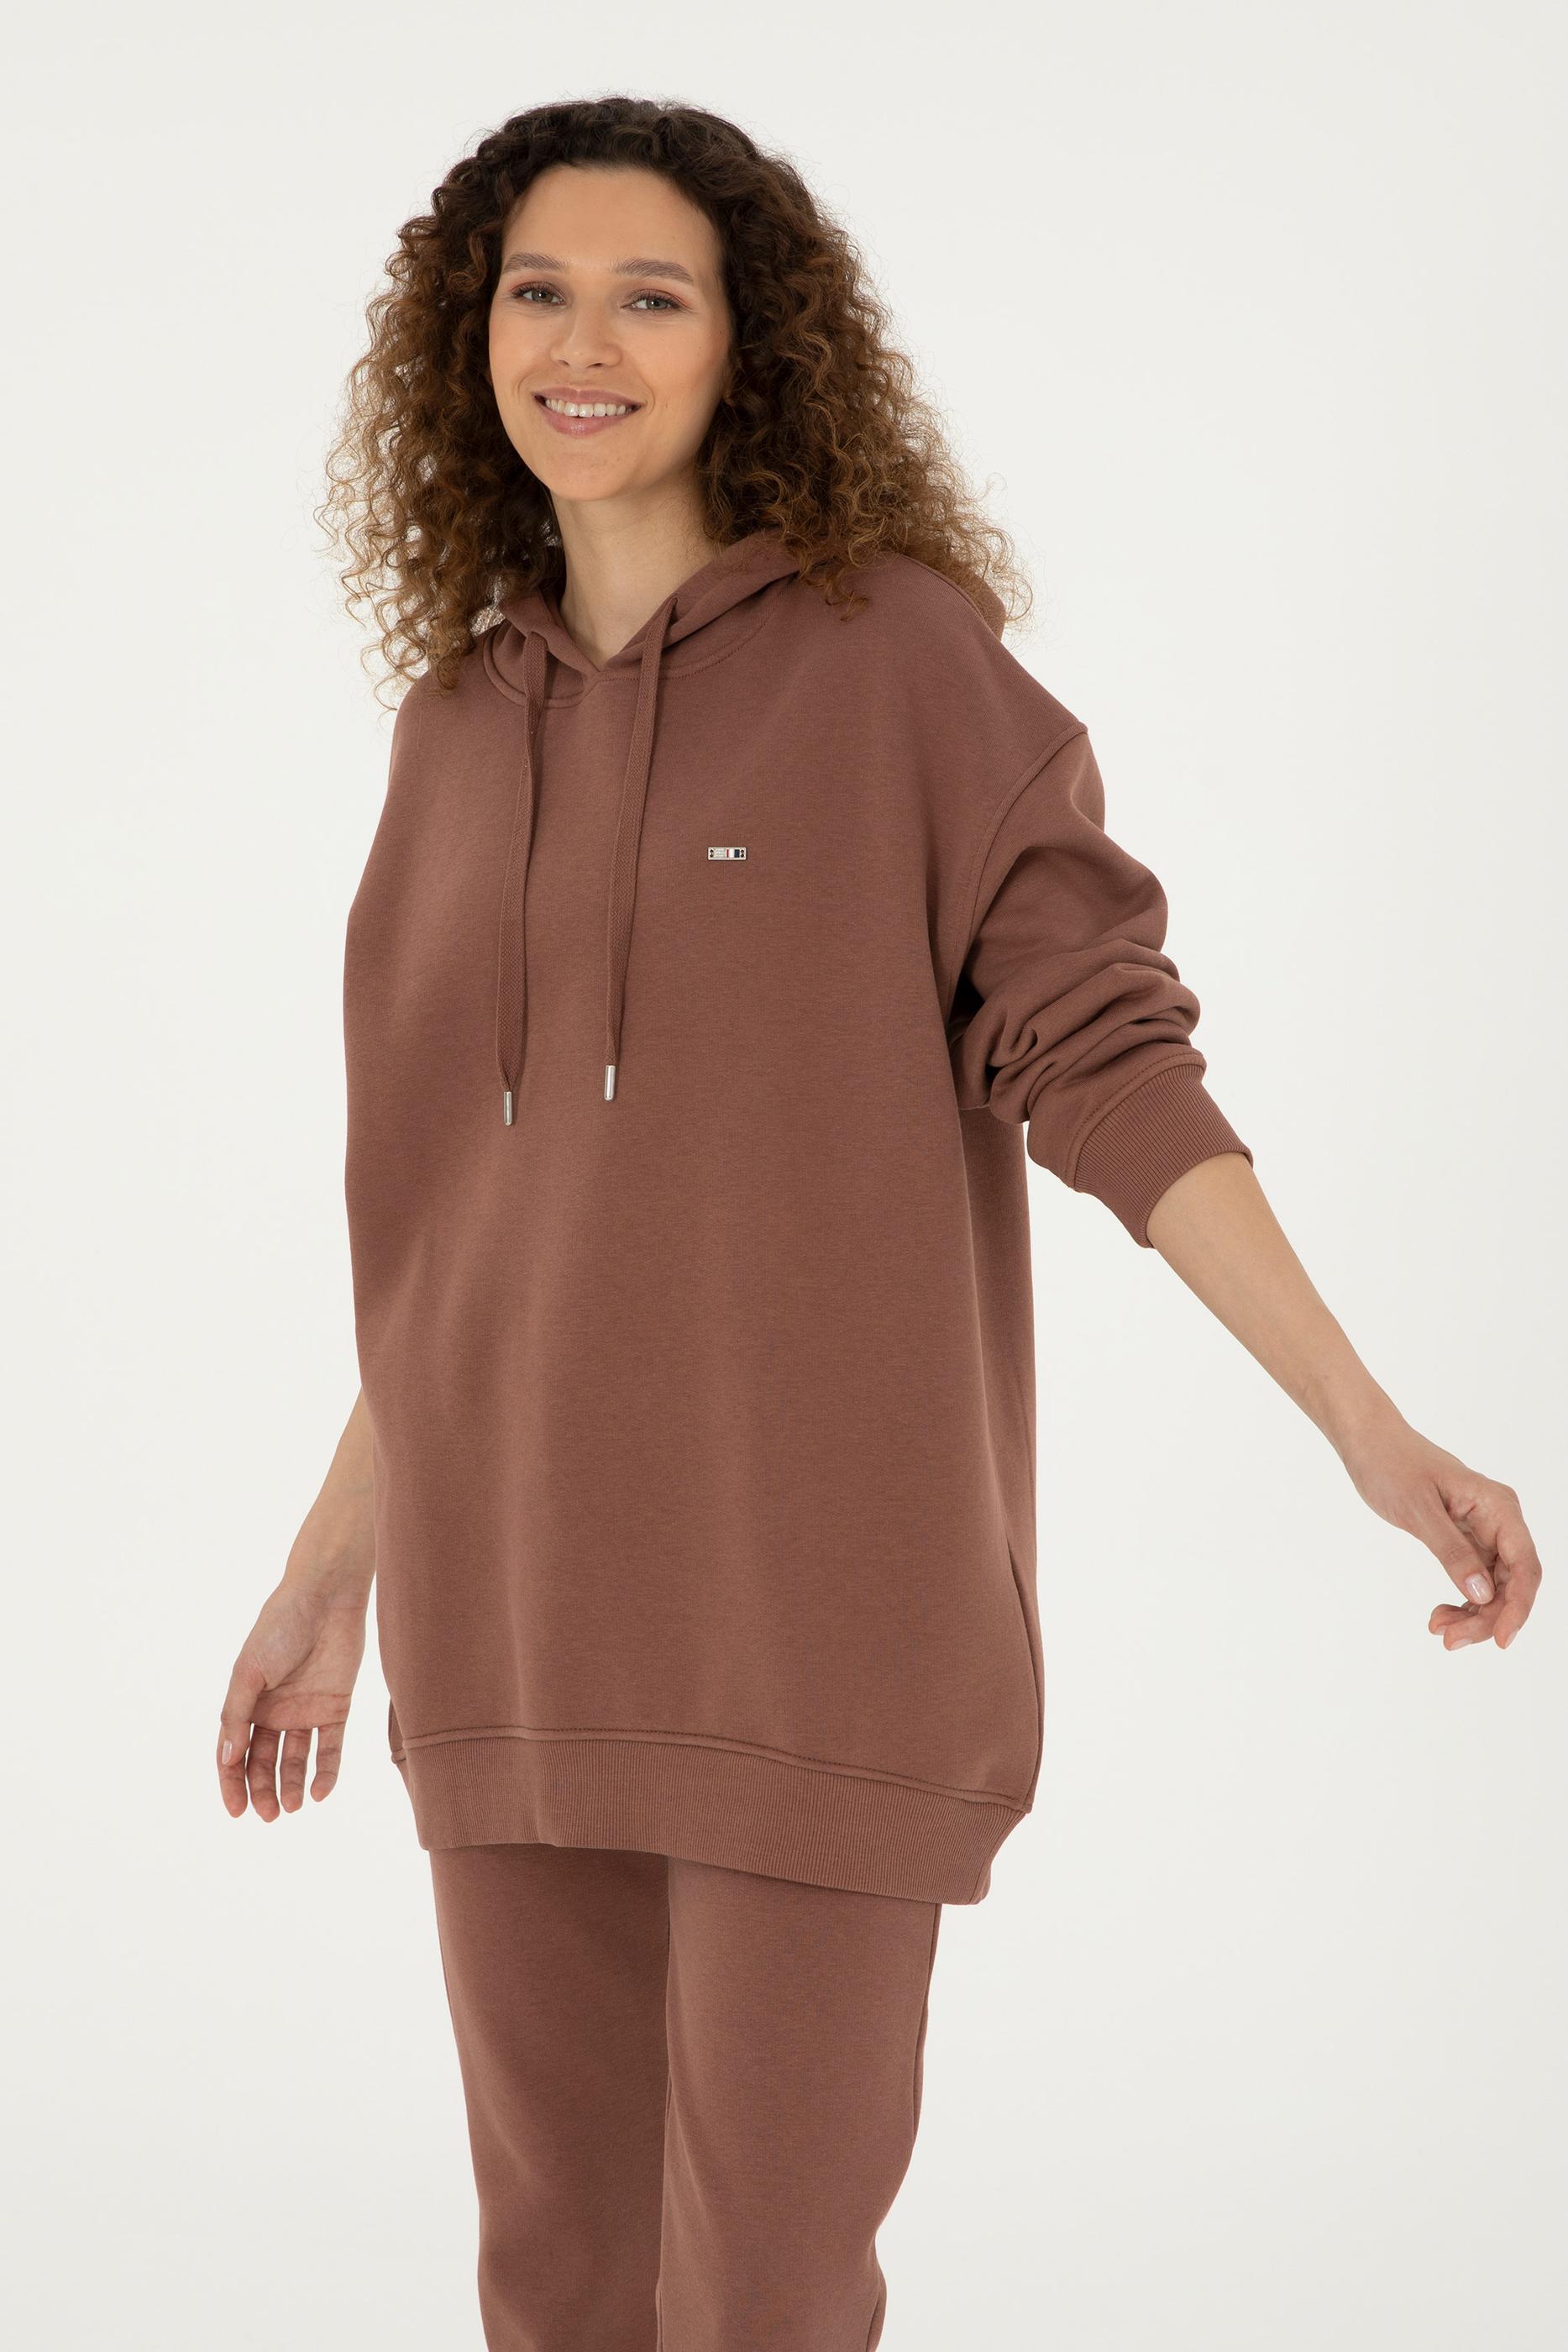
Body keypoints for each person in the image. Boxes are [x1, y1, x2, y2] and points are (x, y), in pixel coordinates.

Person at [215, 95, 1542, 2351]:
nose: (584, 346)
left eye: (653, 296)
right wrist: (330, 1572)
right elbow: (470, 1234)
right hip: (511, 1622)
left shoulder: (896, 665)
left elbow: (1107, 1061)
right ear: (469, 335)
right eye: (538, 292)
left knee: (762, 2296)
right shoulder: (453, 728)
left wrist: (1363, 1423)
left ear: (753, 344)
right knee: (555, 2287)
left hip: (816, 1627)